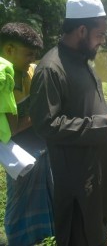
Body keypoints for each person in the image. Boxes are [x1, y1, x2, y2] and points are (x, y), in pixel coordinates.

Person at [29, 0, 107, 246]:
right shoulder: (51, 69)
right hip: (75, 170)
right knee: (80, 228)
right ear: (82, 30)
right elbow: (46, 124)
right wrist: (101, 124)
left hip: (98, 158)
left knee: (100, 216)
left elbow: (89, 106)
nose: (103, 40)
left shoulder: (83, 61)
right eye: (100, 34)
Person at [0, 22, 54, 246]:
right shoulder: (4, 78)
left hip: (39, 144)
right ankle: (18, 240)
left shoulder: (30, 71)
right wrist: (42, 114)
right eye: (28, 54)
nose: (32, 59)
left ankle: (43, 235)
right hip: (17, 153)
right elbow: (12, 129)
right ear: (9, 50)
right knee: (20, 198)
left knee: (46, 191)